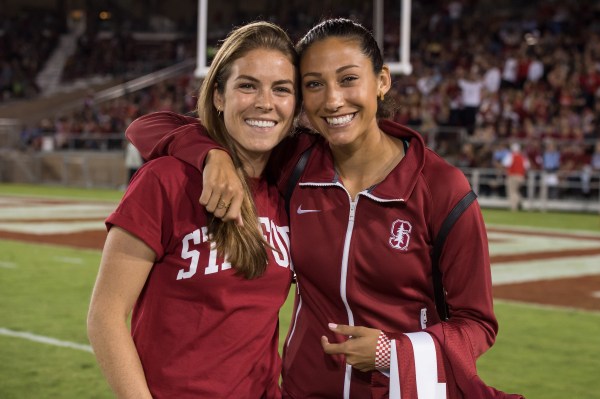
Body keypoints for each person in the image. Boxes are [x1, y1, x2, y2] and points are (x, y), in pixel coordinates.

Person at [128, 18, 524, 399]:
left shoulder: (440, 187)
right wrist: (211, 155)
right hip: (303, 391)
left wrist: (393, 352)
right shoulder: (295, 162)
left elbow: (478, 324)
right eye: (314, 84)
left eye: (349, 79)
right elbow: (147, 126)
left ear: (382, 81)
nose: (333, 100)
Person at [86, 21, 300, 399]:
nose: (265, 102)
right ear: (219, 97)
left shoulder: (286, 189)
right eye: (247, 85)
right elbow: (105, 317)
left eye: (281, 89)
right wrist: (211, 153)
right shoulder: (166, 180)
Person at [503, 142, 530, 211]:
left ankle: (514, 207)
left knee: (512, 192)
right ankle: (522, 203)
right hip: (521, 176)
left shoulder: (510, 156)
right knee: (516, 191)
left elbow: (505, 164)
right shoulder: (523, 157)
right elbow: (527, 166)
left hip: (512, 176)